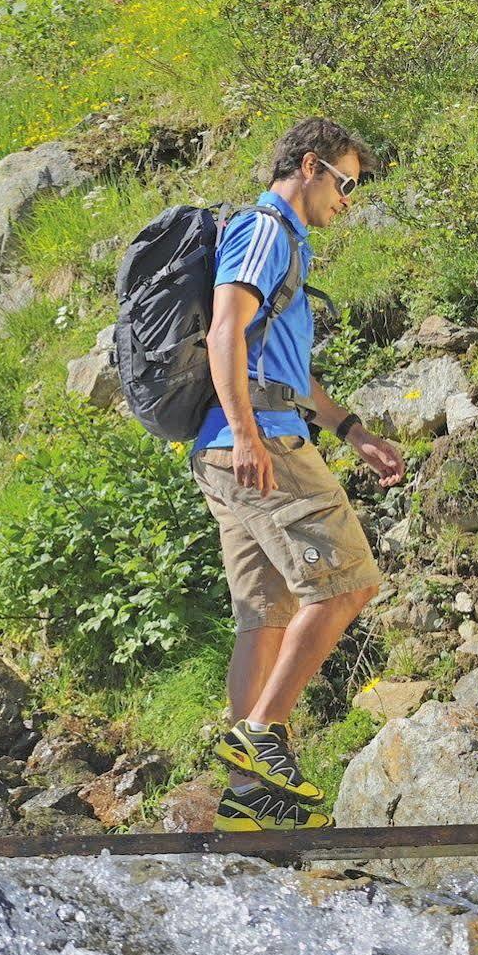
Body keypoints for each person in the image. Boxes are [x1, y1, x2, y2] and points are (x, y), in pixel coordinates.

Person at [193, 118, 407, 833]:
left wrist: (353, 431)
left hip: (238, 444)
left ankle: (247, 796)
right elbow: (226, 330)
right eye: (344, 183)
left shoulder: (287, 244)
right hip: (260, 443)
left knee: (268, 617)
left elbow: (287, 369)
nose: (348, 199)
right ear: (309, 166)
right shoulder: (264, 230)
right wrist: (250, 433)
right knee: (349, 582)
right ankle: (263, 734)